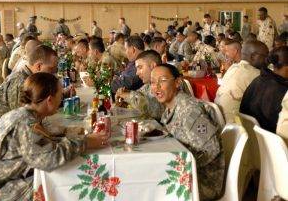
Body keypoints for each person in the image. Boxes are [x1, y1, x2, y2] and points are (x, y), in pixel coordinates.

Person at [0, 72, 108, 200]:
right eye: (60, 95)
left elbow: (43, 145)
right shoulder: (26, 123)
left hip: (5, 178)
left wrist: (77, 139)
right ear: (50, 100)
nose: (61, 99)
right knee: (69, 180)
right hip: (2, 189)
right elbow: (50, 159)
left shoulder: (21, 114)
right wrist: (85, 142)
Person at [150, 64, 224, 200]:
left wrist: (180, 168)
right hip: (184, 172)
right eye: (153, 82)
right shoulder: (170, 108)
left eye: (162, 80)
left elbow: (212, 148)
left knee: (150, 187)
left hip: (201, 180)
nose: (157, 86)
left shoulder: (190, 110)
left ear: (178, 82)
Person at [0, 45, 58, 120]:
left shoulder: (32, 78)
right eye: (51, 68)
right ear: (38, 66)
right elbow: (21, 118)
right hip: (11, 126)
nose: (53, 72)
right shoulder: (21, 81)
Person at [215, 40, 269, 123]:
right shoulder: (256, 74)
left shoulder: (232, 68)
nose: (267, 60)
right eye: (265, 56)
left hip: (219, 120)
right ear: (253, 56)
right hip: (236, 126)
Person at [240, 46, 288, 132]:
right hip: (274, 141)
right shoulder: (281, 90)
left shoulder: (259, 79)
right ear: (286, 67)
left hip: (253, 138)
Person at [115, 50, 165, 120]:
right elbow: (140, 95)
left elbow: (157, 110)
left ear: (152, 66)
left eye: (140, 67)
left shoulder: (165, 82)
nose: (137, 73)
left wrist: (128, 96)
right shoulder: (149, 84)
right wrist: (124, 98)